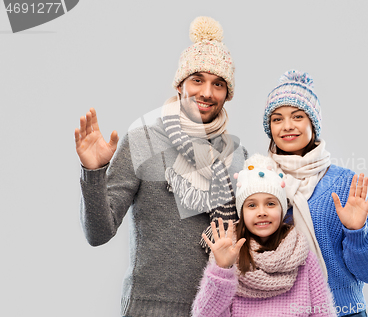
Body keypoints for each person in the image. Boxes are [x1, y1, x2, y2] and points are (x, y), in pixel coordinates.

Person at [74, 17, 247, 317]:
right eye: (197, 80)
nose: (207, 92)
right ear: (180, 84)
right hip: (148, 310)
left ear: (226, 94)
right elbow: (98, 233)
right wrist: (94, 174)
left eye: (218, 84)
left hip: (217, 309)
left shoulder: (237, 156)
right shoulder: (143, 138)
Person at [262, 70, 368, 317]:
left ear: (313, 123)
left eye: (297, 116)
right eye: (277, 119)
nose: (287, 126)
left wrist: (356, 233)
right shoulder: (260, 182)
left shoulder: (344, 184)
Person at [192, 154, 336, 317]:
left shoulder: (303, 258)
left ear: (282, 210)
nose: (262, 212)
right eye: (252, 205)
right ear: (242, 212)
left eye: (270, 203)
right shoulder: (229, 256)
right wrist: (222, 269)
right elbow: (205, 314)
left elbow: (324, 313)